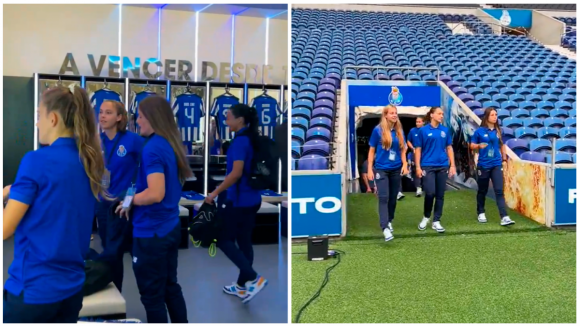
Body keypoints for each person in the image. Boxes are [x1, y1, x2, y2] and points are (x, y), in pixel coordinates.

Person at [3, 85, 105, 323]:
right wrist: (14, 193)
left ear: (53, 118)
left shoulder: (36, 160)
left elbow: (4, 230)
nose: (36, 123)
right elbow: (56, 203)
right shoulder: (89, 162)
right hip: (71, 289)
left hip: (34, 292)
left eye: (39, 116)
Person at [116, 96, 190, 323]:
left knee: (152, 297)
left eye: (140, 116)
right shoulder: (169, 144)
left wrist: (130, 201)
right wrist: (130, 200)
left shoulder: (152, 149)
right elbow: (147, 186)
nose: (137, 121)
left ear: (153, 117)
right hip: (168, 227)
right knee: (170, 286)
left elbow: (155, 193)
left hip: (152, 233)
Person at [204, 104, 268, 303]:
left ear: (240, 120)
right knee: (244, 241)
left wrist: (214, 192)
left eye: (228, 117)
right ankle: (241, 286)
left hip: (238, 201)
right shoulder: (252, 138)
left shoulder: (240, 142)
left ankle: (253, 278)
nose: (226, 121)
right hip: (253, 199)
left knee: (223, 240)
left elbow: (235, 173)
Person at [96, 100, 144, 292]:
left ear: (119, 117)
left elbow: (145, 170)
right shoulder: (95, 140)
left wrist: (131, 196)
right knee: (111, 255)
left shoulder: (133, 140)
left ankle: (150, 296)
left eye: (108, 112)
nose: (102, 116)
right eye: (100, 112)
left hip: (127, 205)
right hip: (102, 204)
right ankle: (115, 300)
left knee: (136, 254)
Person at [366, 105, 409, 242]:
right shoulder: (377, 130)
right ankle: (384, 228)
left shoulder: (399, 131)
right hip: (381, 169)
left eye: (396, 113)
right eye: (391, 113)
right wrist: (369, 169)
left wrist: (405, 164)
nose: (394, 115)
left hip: (396, 169)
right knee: (383, 198)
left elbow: (403, 149)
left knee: (392, 198)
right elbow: (372, 150)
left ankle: (389, 220)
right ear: (385, 115)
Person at [469, 108, 515, 226]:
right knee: (482, 190)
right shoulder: (479, 131)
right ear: (487, 117)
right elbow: (471, 145)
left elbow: (502, 145)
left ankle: (504, 216)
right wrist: (479, 145)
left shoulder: (498, 130)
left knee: (499, 191)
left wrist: (504, 158)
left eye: (496, 115)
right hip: (483, 165)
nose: (495, 117)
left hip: (496, 164)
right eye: (493, 115)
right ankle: (481, 212)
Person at [414, 107, 456, 233]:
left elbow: (449, 148)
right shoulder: (423, 131)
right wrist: (417, 167)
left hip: (442, 165)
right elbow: (418, 149)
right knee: (430, 192)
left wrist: (452, 165)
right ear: (432, 115)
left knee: (440, 194)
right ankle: (426, 217)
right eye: (439, 113)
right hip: (428, 166)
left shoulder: (445, 130)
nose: (441, 116)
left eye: (442, 114)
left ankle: (436, 221)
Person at [406, 116, 425, 197]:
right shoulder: (412, 130)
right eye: (417, 122)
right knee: (416, 170)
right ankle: (418, 188)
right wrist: (413, 148)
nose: (417, 123)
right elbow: (408, 141)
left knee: (426, 170)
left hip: (425, 154)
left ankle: (427, 188)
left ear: (423, 122)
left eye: (419, 122)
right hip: (415, 154)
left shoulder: (426, 130)